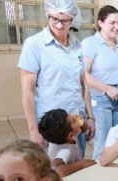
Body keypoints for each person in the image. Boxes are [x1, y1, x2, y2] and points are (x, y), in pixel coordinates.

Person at [19, 0, 95, 156]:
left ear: (73, 19)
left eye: (65, 20)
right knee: (56, 173)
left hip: (77, 124)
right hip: (53, 127)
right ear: (48, 15)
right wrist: (34, 130)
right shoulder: (34, 44)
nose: (60, 25)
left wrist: (90, 117)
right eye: (54, 19)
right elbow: (27, 90)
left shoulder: (76, 45)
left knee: (77, 168)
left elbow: (83, 84)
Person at [82, 5, 118, 160]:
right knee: (102, 144)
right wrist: (107, 88)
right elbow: (83, 74)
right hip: (100, 99)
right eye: (112, 23)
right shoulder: (91, 43)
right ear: (100, 23)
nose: (117, 27)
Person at [38, 109, 96, 176]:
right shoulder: (65, 151)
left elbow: (84, 129)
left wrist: (80, 122)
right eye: (74, 121)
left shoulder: (65, 136)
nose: (74, 117)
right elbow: (56, 170)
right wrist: (81, 164)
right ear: (71, 135)